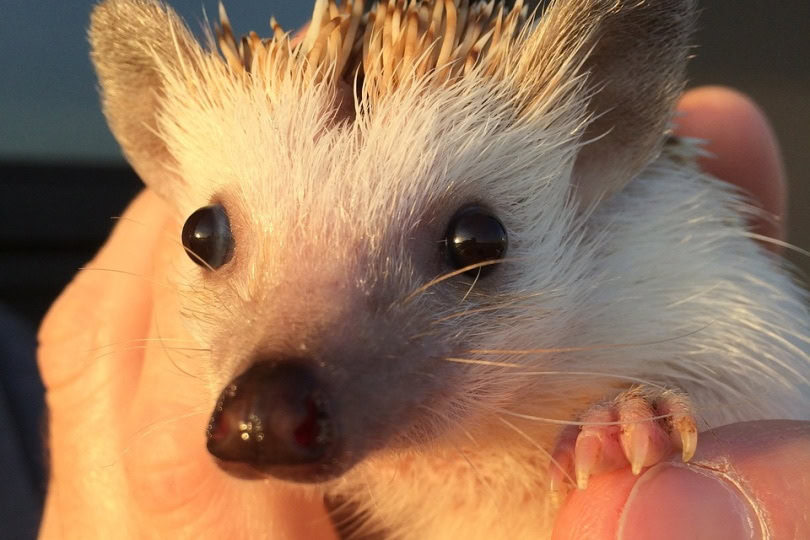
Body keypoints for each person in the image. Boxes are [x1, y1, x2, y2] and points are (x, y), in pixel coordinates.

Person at [37, 87, 810, 539]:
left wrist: (668, 416)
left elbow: (767, 383)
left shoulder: (668, 254)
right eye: (216, 243)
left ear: (598, 153)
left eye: (468, 246)